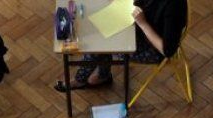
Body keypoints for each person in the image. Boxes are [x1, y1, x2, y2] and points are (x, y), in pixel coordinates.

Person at [54, 0, 188, 92]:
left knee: (101, 43)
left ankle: (83, 79)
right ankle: (101, 75)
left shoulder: (175, 6)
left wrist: (143, 24)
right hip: (136, 24)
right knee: (101, 33)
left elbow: (167, 50)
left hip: (152, 47)